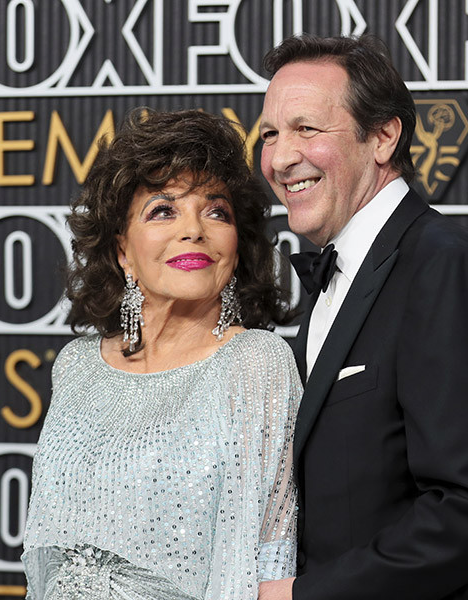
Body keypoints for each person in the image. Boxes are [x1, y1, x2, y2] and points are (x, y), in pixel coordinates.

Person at [257, 35, 468, 599]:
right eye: (269, 134)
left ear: (383, 137)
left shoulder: (445, 268)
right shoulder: (340, 274)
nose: (281, 157)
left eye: (306, 129)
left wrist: (304, 596)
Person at [22, 109, 301, 600]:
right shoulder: (77, 366)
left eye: (217, 211)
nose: (194, 229)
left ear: (237, 246)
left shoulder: (257, 364)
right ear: (123, 251)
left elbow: (269, 558)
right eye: (163, 210)